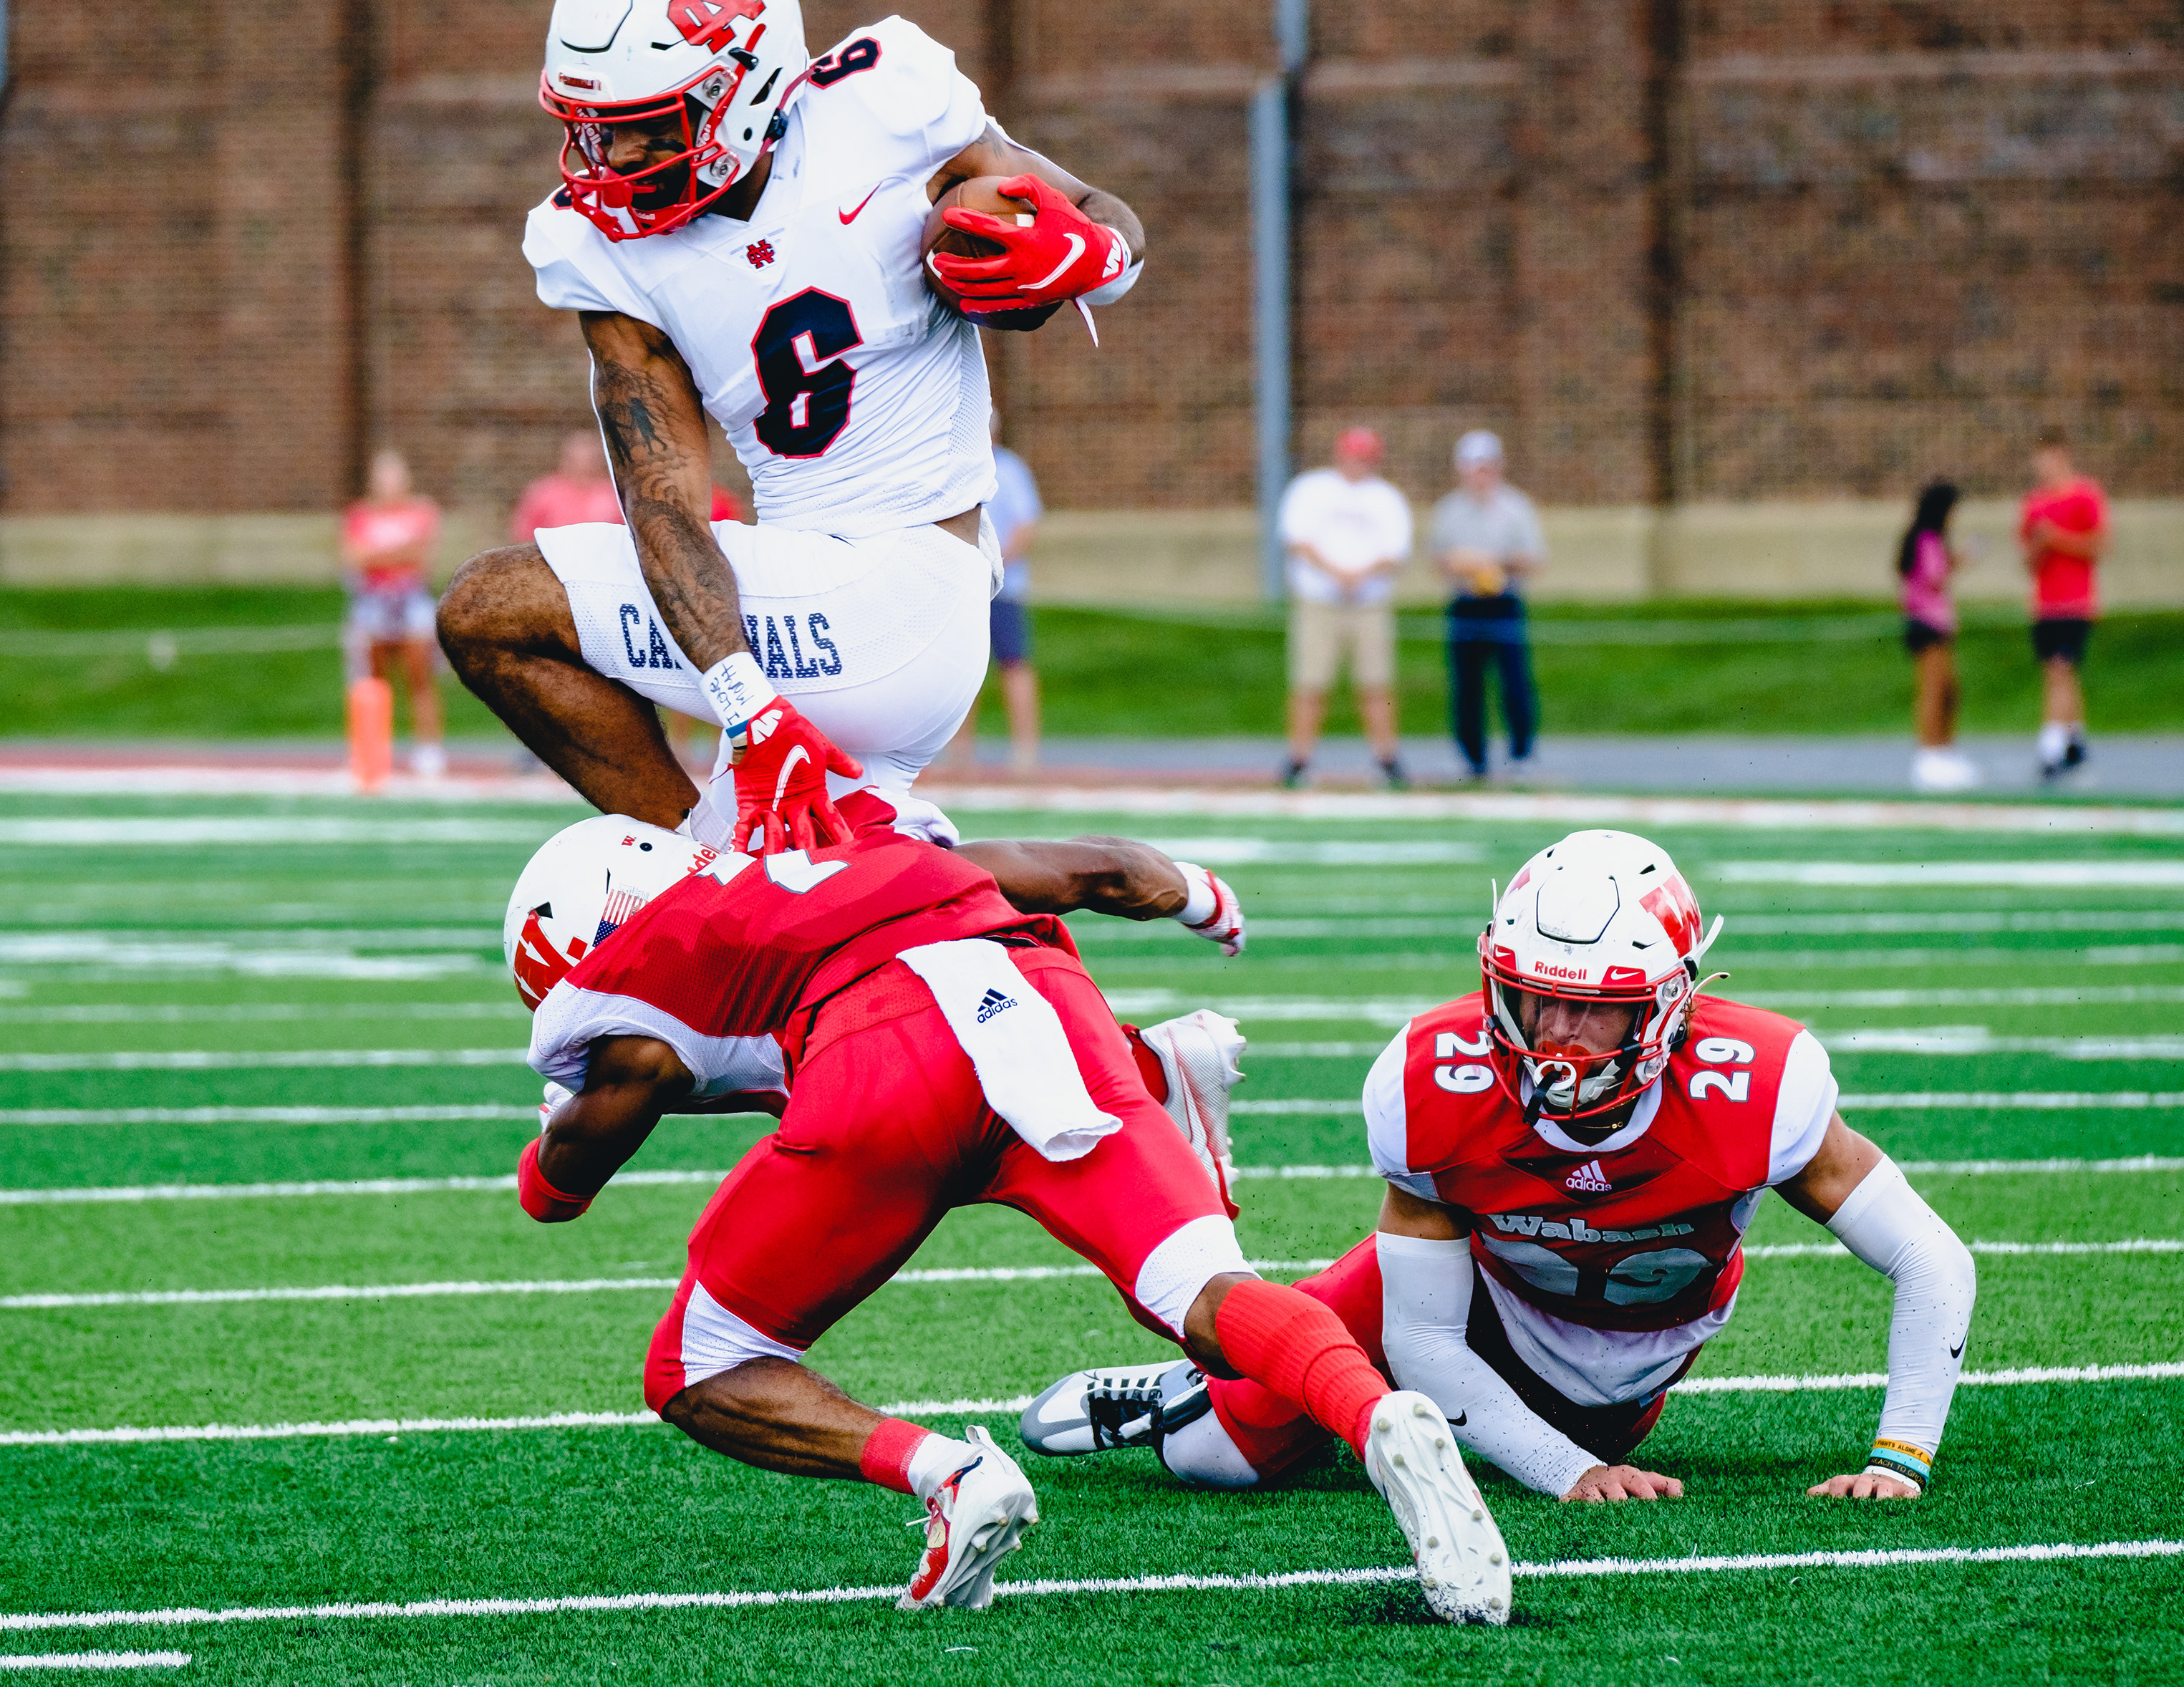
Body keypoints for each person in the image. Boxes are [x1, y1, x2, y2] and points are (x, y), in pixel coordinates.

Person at [504, 810, 1512, 1623]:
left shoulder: (652, 952)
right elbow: (1097, 869)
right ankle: (1377, 1412)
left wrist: (543, 1168)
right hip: (1042, 1005)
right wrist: (1205, 902)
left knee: (697, 1367)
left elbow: (595, 1137)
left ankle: (947, 1474)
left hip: (883, 1061)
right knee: (1208, 1294)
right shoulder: (851, 854)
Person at [440, 0, 1146, 858]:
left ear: (744, 90)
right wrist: (749, 706)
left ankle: (704, 869)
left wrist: (1092, 252)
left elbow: (1106, 220)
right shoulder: (602, 248)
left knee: (488, 611)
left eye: (646, 129)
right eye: (595, 131)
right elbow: (663, 507)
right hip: (814, 605)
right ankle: (1086, 905)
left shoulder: (884, 104)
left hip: (908, 584)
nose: (618, 163)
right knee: (799, 965)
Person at [1018, 829, 1978, 1513]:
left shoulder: (1760, 1084)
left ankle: (1235, 1369)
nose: (1556, 1034)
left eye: (1592, 1008)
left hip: (1613, 1361)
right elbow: (1426, 1333)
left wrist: (1899, 1459)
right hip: (1472, 1290)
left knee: (1564, 1439)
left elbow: (1933, 1259)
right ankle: (1193, 1382)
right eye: (1531, 999)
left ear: (1672, 1002)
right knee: (1216, 1457)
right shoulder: (1435, 1075)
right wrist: (1563, 1475)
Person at [1277, 427, 1411, 789]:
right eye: (1354, 455)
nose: (1358, 463)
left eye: (1365, 456)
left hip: (1369, 602)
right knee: (1310, 682)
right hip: (1320, 599)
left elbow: (1395, 551)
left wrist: (1360, 575)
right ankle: (1299, 759)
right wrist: (1336, 573)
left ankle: (1386, 759)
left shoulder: (1386, 497)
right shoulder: (1312, 489)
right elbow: (1297, 540)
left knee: (1376, 683)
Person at [1428, 430, 1543, 782]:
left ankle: (1521, 754)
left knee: (1515, 681)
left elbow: (1533, 558)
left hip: (1504, 602)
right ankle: (1472, 758)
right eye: (1475, 467)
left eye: (1487, 466)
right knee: (1466, 685)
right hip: (1466, 603)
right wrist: (1466, 565)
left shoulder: (1516, 507)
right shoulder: (1449, 510)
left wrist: (1495, 565)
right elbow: (1439, 559)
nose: (1482, 474)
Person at [944, 427, 1044, 775]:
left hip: (1003, 589)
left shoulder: (1009, 470)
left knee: (1014, 663)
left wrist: (993, 564)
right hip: (965, 588)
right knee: (963, 670)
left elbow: (1026, 527)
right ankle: (959, 754)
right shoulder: (958, 470)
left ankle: (1025, 752)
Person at [340, 449, 445, 779]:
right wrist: (397, 555)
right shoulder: (359, 513)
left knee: (419, 678)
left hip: (411, 600)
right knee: (372, 681)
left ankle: (429, 751)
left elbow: (421, 553)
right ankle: (372, 750)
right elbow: (355, 558)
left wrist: (379, 556)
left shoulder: (422, 510)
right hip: (372, 602)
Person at [2018, 431, 2110, 786]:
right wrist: (2040, 545)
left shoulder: (2085, 494)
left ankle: (2051, 749)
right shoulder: (2033, 502)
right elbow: (2028, 561)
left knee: (2060, 669)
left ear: (2063, 455)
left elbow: (2100, 545)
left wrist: (2057, 537)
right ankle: (2075, 743)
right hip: (2045, 603)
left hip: (2075, 601)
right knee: (2059, 675)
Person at [1898, 480, 1976, 793]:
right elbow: (1933, 578)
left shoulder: (1931, 539)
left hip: (1937, 624)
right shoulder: (1925, 538)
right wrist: (1959, 562)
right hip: (1926, 624)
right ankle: (1929, 754)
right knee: (1933, 688)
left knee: (1949, 690)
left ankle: (1944, 750)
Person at [506, 431, 624, 543]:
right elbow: (523, 535)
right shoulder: (543, 493)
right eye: (578, 460)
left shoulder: (614, 495)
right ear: (566, 460)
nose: (585, 468)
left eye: (591, 460)